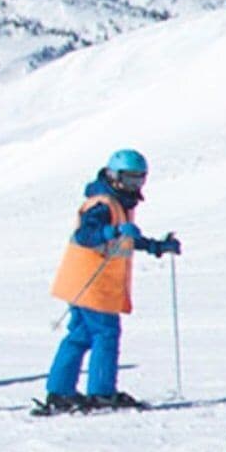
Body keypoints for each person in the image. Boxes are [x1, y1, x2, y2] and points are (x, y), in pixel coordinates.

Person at [42, 149, 178, 413]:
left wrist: (156, 246)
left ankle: (60, 392)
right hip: (93, 284)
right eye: (129, 179)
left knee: (80, 336)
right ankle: (102, 392)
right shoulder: (102, 204)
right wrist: (111, 231)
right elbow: (86, 235)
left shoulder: (117, 204)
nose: (134, 186)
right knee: (105, 334)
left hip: (82, 283)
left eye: (139, 179)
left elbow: (126, 239)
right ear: (114, 176)